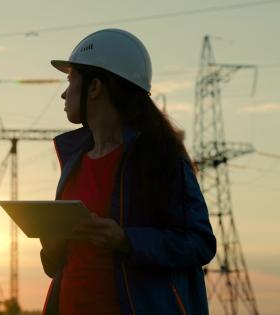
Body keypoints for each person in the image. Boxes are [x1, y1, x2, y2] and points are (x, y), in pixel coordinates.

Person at [40, 29, 217, 315]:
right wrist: (52, 246)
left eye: (71, 79)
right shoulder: (73, 160)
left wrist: (126, 240)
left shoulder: (161, 158)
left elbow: (199, 243)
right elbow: (56, 265)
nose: (64, 92)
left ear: (95, 87)